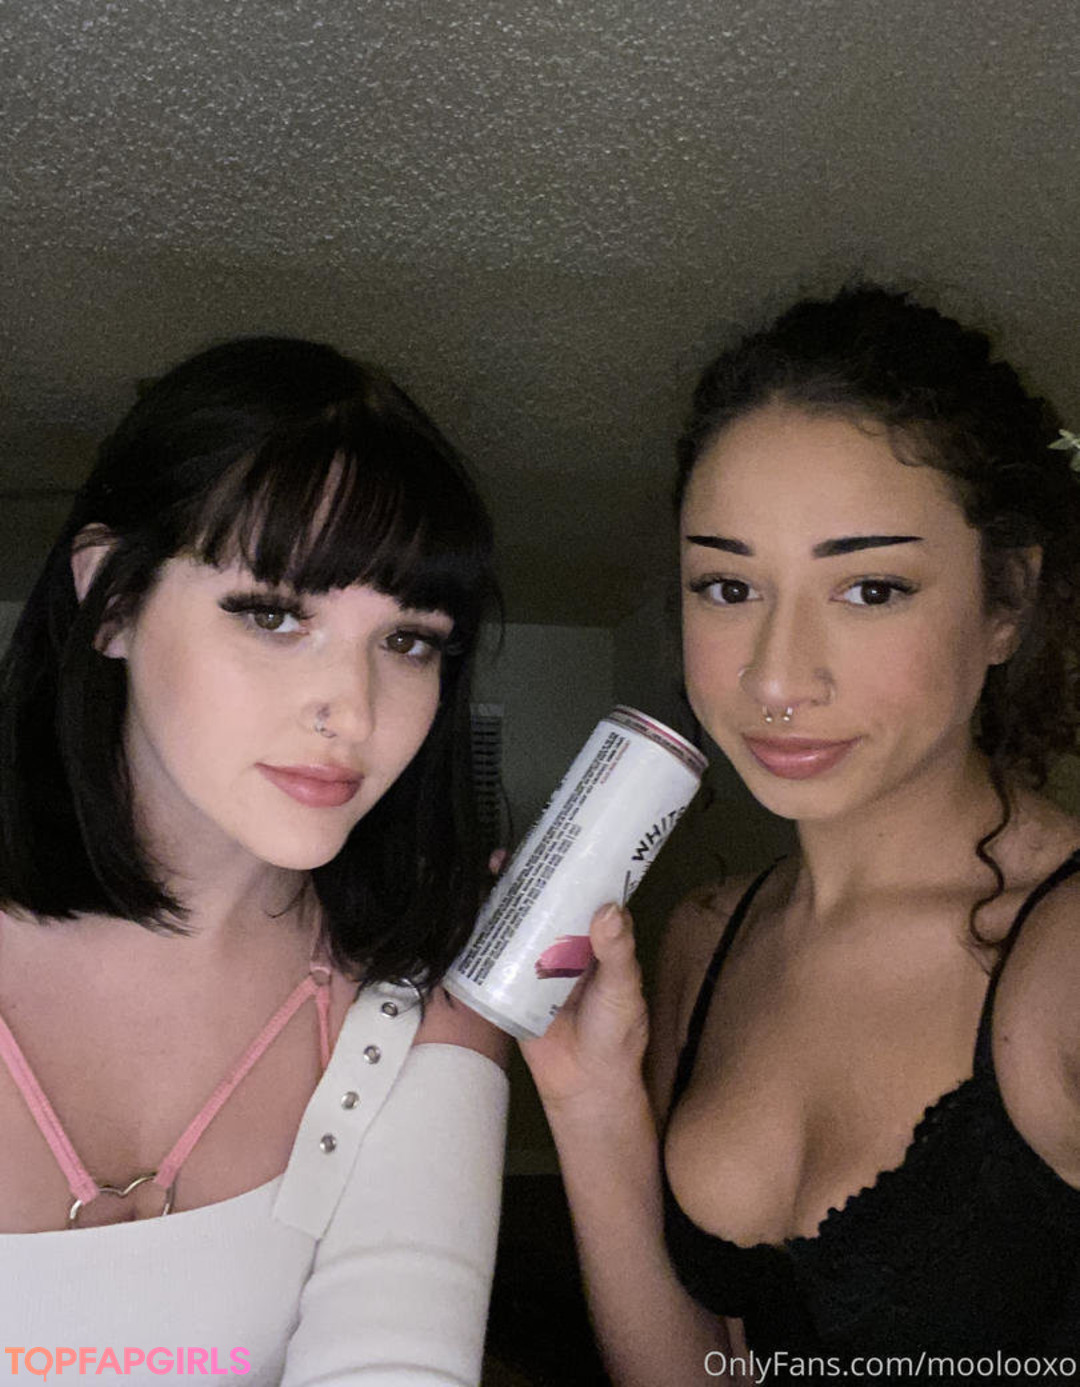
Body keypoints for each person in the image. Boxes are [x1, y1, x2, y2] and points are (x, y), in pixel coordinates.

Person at [522, 286, 1080, 1383]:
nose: (776, 678)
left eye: (869, 588)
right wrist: (588, 1103)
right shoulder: (706, 938)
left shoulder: (1062, 958)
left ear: (1008, 599)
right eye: (729, 585)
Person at [0, 336, 508, 1384]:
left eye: (408, 640)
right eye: (274, 614)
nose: (353, 711)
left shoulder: (417, 1011)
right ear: (112, 601)